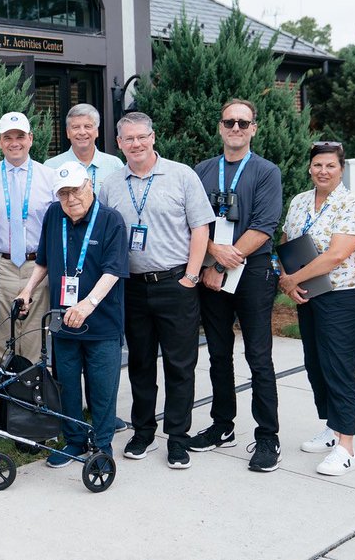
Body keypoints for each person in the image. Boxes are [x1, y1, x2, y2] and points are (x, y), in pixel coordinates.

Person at [98, 112, 213, 469]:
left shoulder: (181, 175)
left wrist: (191, 277)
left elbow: (201, 227)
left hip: (175, 284)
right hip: (131, 288)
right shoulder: (111, 184)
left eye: (141, 137)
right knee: (140, 364)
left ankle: (177, 439)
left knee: (181, 366)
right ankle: (143, 431)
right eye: (128, 139)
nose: (136, 144)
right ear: (118, 144)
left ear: (153, 137)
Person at [190, 99, 283, 472]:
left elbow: (264, 226)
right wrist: (212, 256)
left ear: (254, 129)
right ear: (220, 127)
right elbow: (193, 222)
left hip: (252, 272)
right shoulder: (202, 170)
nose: (236, 128)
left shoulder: (266, 171)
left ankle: (267, 436)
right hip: (212, 270)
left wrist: (225, 261)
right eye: (229, 121)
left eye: (243, 123)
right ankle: (222, 425)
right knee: (217, 353)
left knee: (258, 357)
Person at [15, 162, 128, 465]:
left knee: (103, 389)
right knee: (66, 385)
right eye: (63, 193)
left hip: (101, 322)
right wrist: (28, 290)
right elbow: (43, 261)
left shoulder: (111, 220)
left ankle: (102, 446)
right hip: (63, 321)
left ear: (89, 185)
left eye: (75, 189)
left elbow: (113, 271)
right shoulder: (54, 215)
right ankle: (74, 441)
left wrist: (86, 305)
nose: (71, 198)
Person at [278, 142, 355, 477]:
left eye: (330, 166)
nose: (323, 171)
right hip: (309, 293)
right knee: (316, 364)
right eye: (317, 165)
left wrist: (291, 281)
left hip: (342, 297)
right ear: (309, 167)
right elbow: (289, 239)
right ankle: (332, 429)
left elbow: (336, 255)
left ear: (341, 168)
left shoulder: (352, 205)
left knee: (339, 367)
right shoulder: (300, 200)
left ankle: (347, 447)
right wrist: (285, 275)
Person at [0, 112, 57, 365]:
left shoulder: (50, 178)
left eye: (20, 136)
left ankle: (33, 398)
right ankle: (7, 399)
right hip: (0, 267)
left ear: (31, 139)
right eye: (8, 137)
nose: (14, 142)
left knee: (36, 340)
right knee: (3, 341)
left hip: (38, 267)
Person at [43, 103, 124, 192]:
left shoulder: (115, 165)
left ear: (96, 131)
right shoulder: (51, 167)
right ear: (68, 133)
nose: (82, 132)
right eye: (76, 127)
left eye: (87, 126)